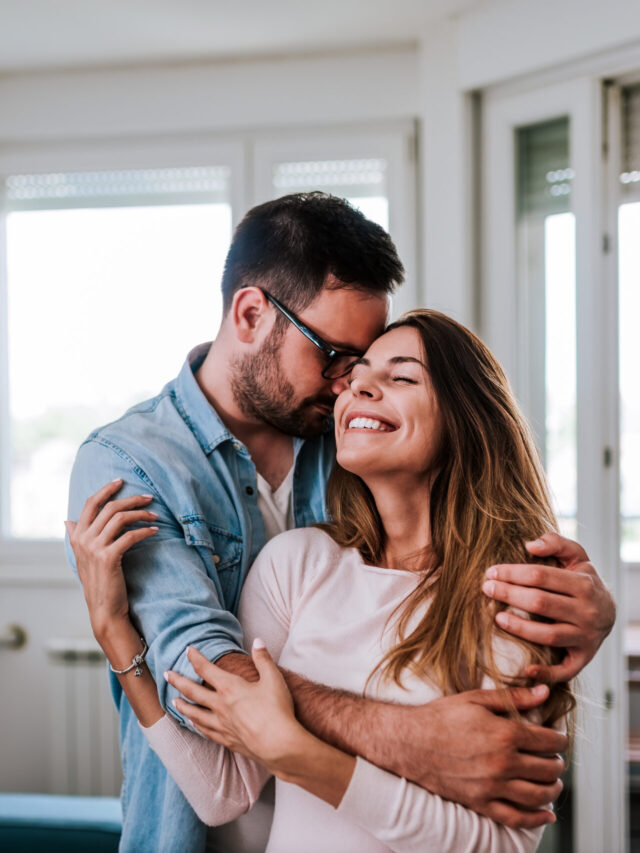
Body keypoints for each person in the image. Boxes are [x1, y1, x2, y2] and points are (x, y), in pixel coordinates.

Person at [66, 193, 615, 852]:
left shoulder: (353, 441)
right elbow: (205, 677)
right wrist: (418, 738)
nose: (346, 387)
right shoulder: (131, 463)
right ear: (249, 314)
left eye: (365, 367)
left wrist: (593, 608)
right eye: (335, 357)